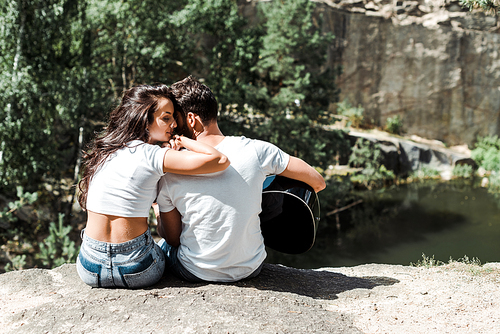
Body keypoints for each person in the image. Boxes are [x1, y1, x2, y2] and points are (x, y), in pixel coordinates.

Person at [155, 76, 326, 283]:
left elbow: (173, 238)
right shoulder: (257, 150)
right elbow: (318, 182)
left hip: (196, 272)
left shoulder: (172, 167)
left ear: (191, 120)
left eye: (175, 119)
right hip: (250, 267)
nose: (172, 126)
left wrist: (157, 209)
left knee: (160, 248)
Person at [76, 84, 229, 289]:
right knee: (172, 246)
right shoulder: (152, 155)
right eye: (166, 118)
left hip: (90, 267)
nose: (174, 124)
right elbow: (219, 160)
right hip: (137, 269)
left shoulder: (105, 151)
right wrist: (182, 140)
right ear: (144, 119)